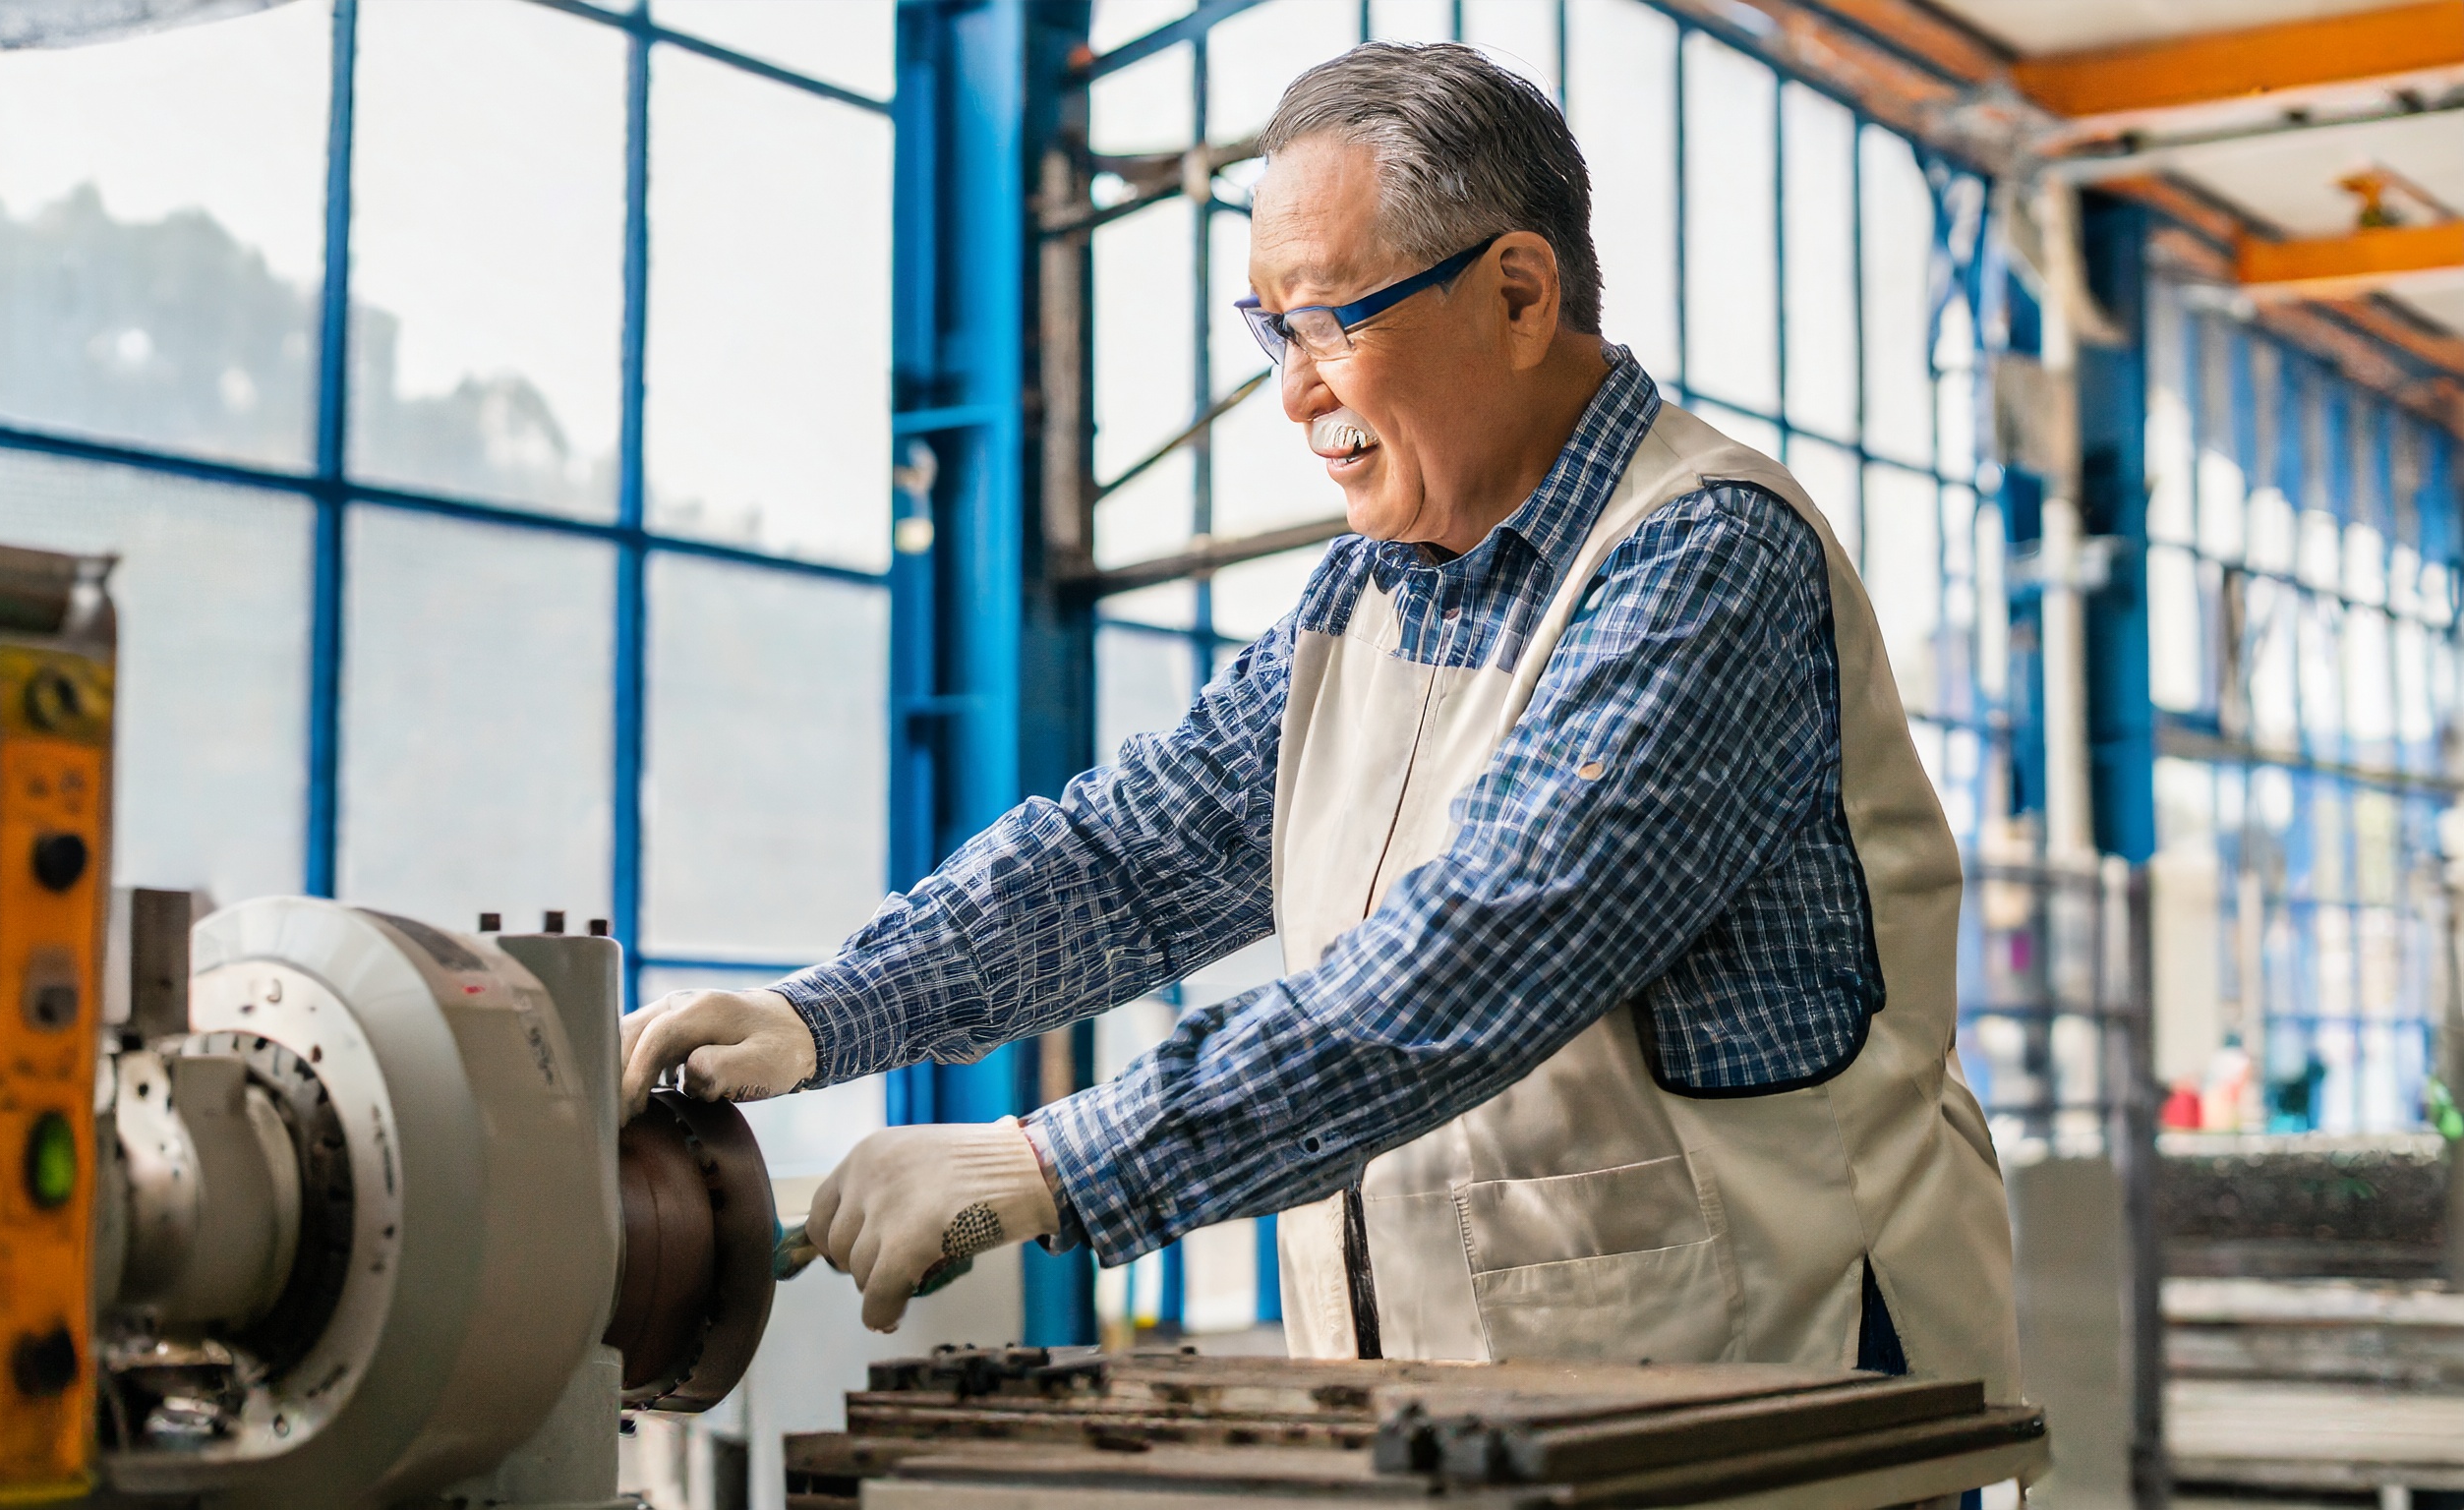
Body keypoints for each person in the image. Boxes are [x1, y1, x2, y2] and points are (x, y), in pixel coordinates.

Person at [621, 39, 2021, 1397]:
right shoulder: (1375, 593)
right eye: (1267, 329)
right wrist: (824, 1013)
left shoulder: (1705, 562)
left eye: (1327, 323)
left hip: (1789, 1393)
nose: (1292, 393)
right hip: (1483, 1411)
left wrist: (1051, 1165)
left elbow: (1485, 955)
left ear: (1520, 295)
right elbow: (1130, 860)